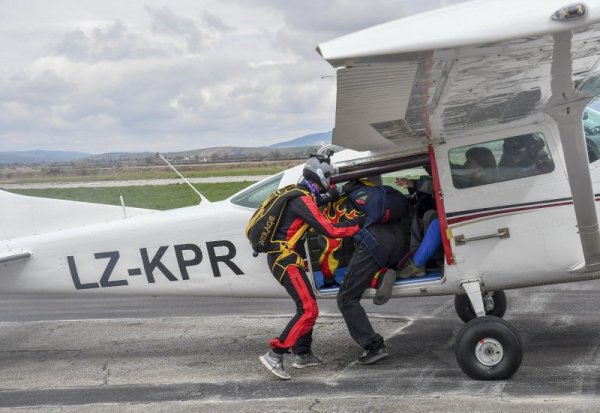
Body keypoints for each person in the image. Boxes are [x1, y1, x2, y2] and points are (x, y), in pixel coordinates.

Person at [259, 156, 363, 380]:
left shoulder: (299, 194)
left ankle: (303, 354)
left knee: (307, 306)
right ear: (321, 177)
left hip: (286, 258)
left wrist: (339, 192)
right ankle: (275, 353)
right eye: (329, 177)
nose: (330, 181)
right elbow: (332, 231)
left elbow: (316, 204)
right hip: (285, 260)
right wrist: (359, 224)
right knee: (308, 309)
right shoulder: (303, 200)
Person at [336, 178, 411, 364]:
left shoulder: (350, 200)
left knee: (346, 298)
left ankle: (374, 345)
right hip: (397, 241)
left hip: (375, 243)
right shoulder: (381, 194)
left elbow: (340, 226)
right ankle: (385, 273)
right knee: (364, 272)